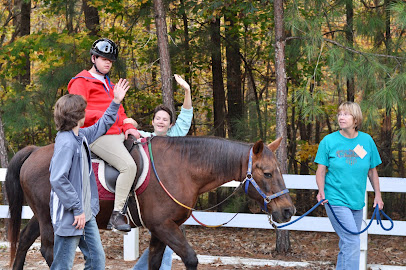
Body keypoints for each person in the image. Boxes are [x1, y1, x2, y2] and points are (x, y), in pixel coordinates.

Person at [49, 79, 130, 270]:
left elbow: (103, 125)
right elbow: (57, 178)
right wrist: (77, 209)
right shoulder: (67, 143)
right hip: (72, 216)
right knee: (62, 265)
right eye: (83, 111)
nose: (86, 113)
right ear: (77, 115)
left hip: (86, 214)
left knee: (96, 261)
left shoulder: (81, 136)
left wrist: (116, 102)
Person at [68, 38, 140, 232]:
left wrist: (128, 128)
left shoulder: (111, 84)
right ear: (94, 58)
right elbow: (78, 113)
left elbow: (121, 112)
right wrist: (107, 116)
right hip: (96, 135)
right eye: (103, 58)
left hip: (117, 133)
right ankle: (117, 215)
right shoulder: (80, 82)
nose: (107, 62)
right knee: (128, 166)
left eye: (110, 60)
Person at [315, 101, 384, 270]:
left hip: (356, 201)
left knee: (347, 244)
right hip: (335, 199)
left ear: (356, 119)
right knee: (353, 241)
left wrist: (378, 196)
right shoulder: (329, 141)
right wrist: (321, 191)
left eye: (346, 114)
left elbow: (372, 171)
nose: (341, 117)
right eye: (339, 114)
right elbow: (321, 171)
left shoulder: (366, 141)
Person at [133, 74, 192, 270]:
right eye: (158, 118)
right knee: (162, 239)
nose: (161, 121)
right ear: (152, 121)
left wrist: (187, 91)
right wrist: (128, 123)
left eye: (165, 119)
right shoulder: (145, 138)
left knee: (162, 239)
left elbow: (186, 116)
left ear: (170, 124)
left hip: (169, 199)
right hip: (151, 198)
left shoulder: (174, 137)